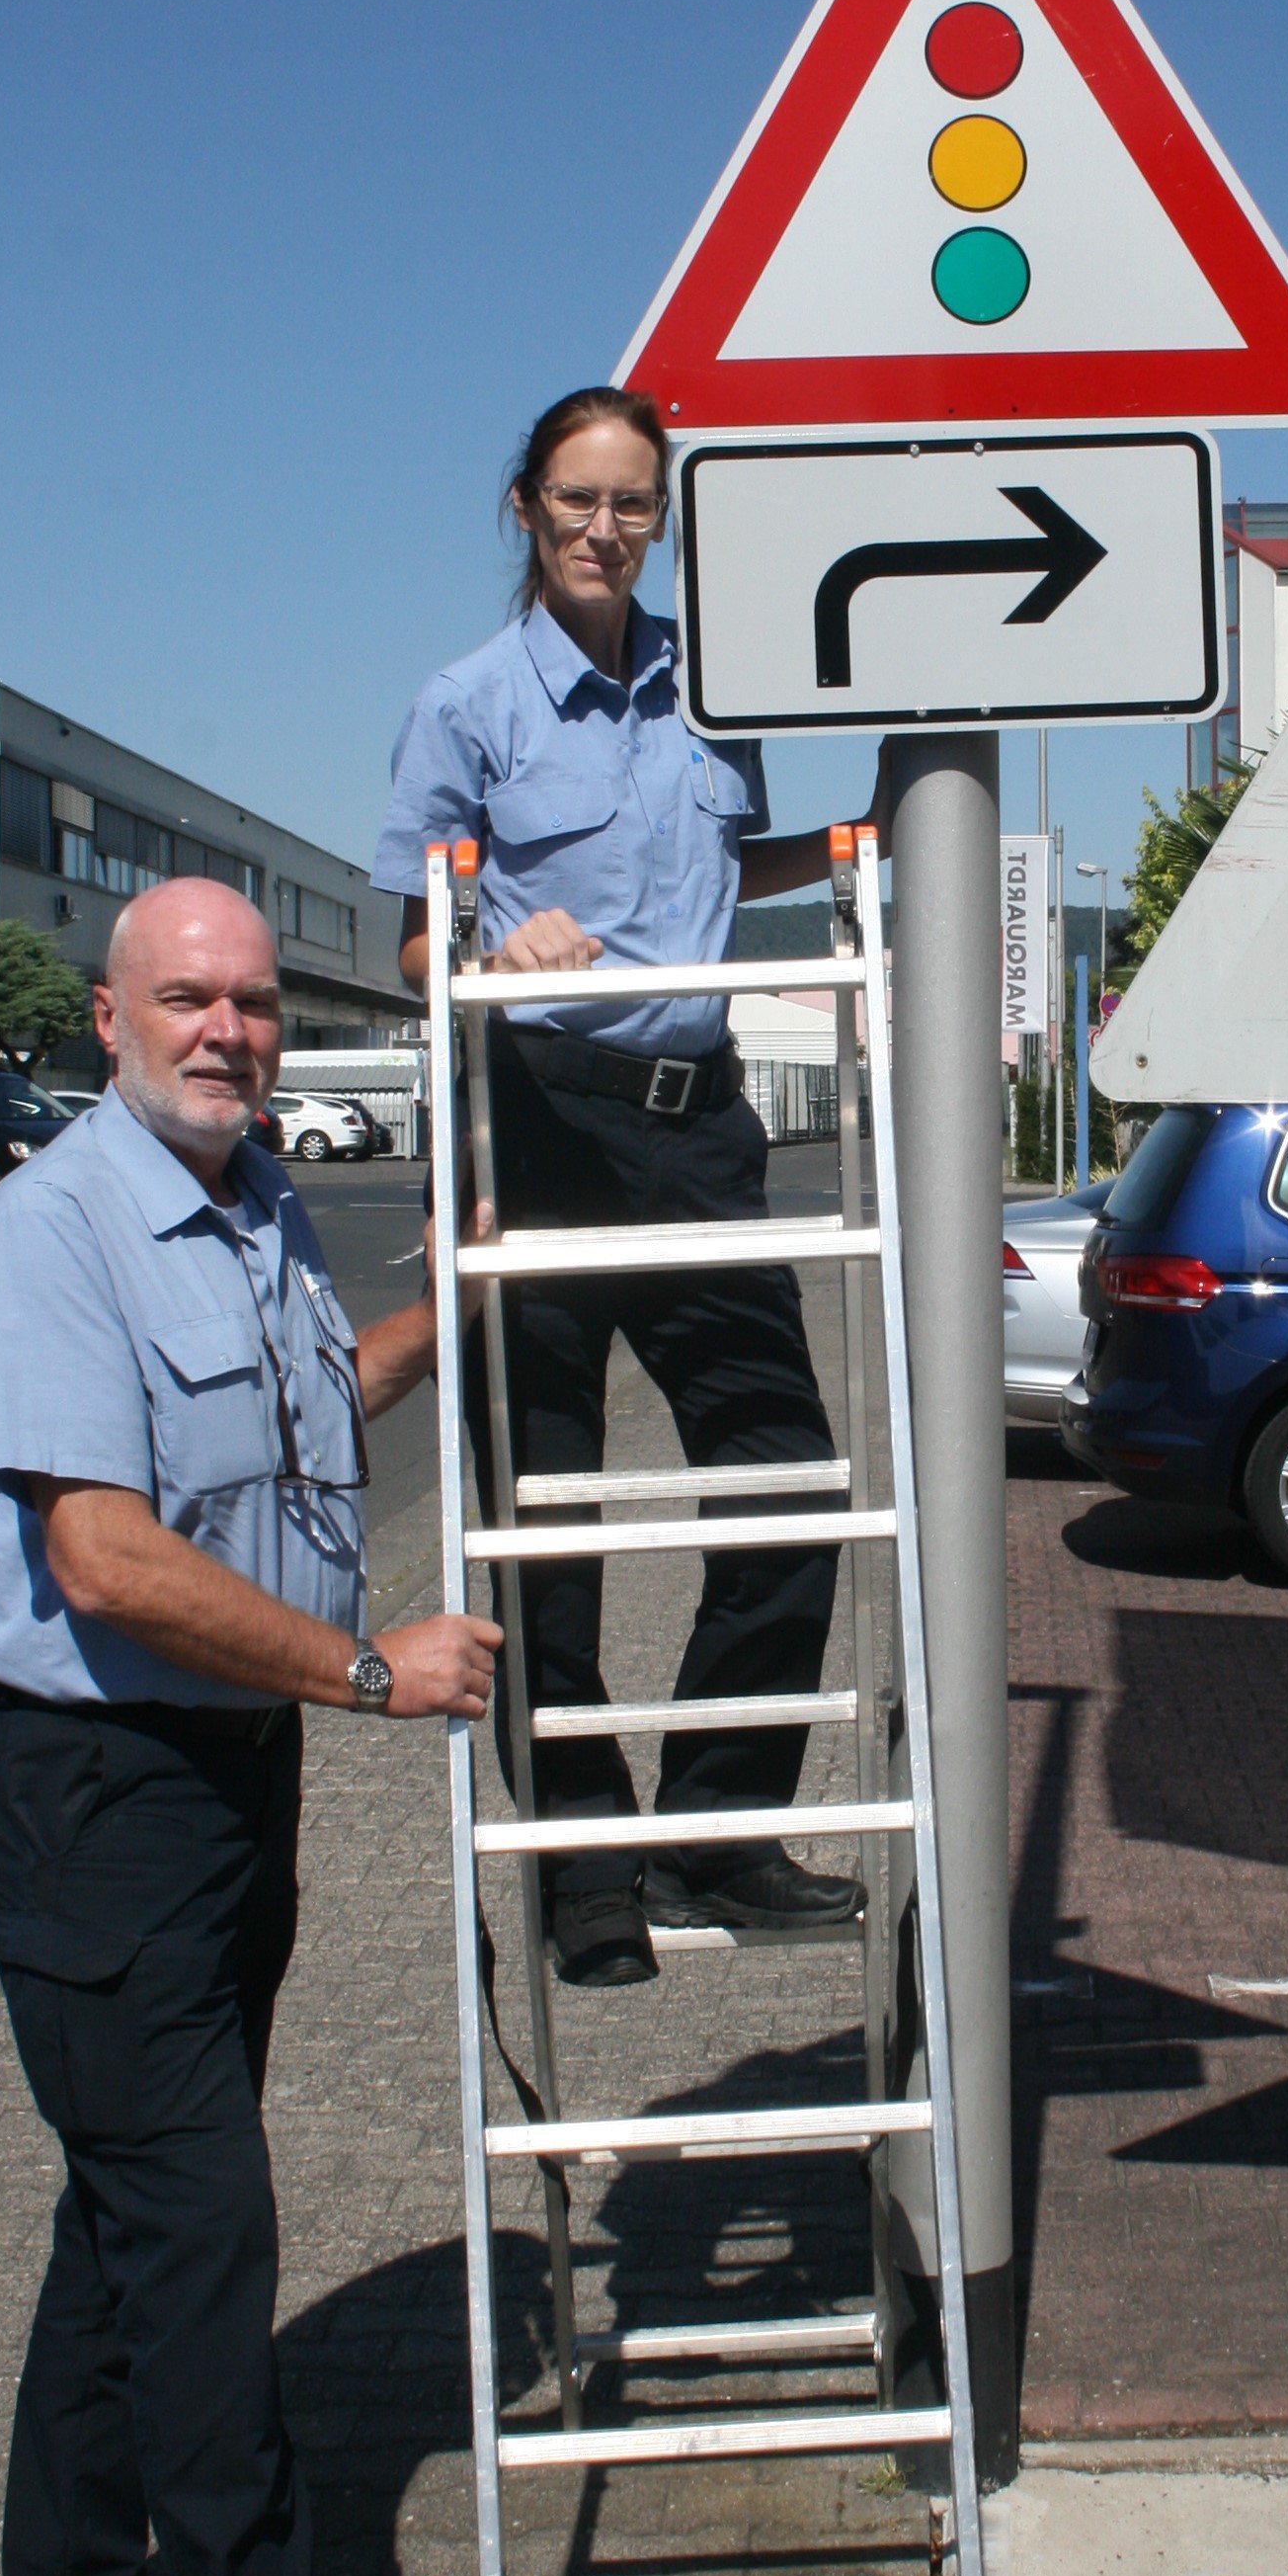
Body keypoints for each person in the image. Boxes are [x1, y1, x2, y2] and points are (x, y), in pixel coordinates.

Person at [0, 873, 500, 2576]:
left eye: (256, 1002)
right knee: (199, 2244)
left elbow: (280, 1431)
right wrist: (372, 1668)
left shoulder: (259, 1203)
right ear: (110, 1015)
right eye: (190, 998)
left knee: (130, 2215)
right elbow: (104, 1558)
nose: (232, 1030)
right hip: (90, 1793)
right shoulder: (53, 1229)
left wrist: (442, 1317)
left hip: (216, 1787)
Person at [374, 382, 889, 1989]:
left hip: (699, 1127)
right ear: (524, 506)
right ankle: (583, 1870)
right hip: (540, 1116)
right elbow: (413, 933)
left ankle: (716, 1830)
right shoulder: (467, 705)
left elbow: (707, 871)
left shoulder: (708, 685)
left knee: (791, 1479)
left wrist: (860, 846)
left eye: (635, 505)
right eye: (579, 499)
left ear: (661, 520)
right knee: (545, 1523)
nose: (607, 529)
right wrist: (486, 939)